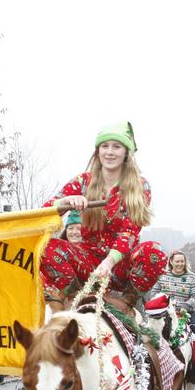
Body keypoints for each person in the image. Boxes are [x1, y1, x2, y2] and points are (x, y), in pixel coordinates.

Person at [40, 122, 165, 308]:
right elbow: (45, 210)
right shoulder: (83, 181)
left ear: (126, 153)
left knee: (155, 251)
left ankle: (126, 302)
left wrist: (109, 262)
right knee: (44, 247)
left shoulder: (140, 186)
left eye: (117, 146)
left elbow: (130, 232)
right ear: (98, 151)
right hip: (87, 260)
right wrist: (66, 202)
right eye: (105, 146)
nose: (110, 152)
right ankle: (76, 295)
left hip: (121, 264)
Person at [149, 250, 195, 376]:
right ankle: (145, 363)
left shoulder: (191, 277)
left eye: (182, 261)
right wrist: (162, 303)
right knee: (146, 332)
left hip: (185, 313)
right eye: (177, 261)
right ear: (171, 262)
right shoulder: (162, 275)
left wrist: (186, 305)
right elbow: (153, 293)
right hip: (164, 313)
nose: (180, 264)